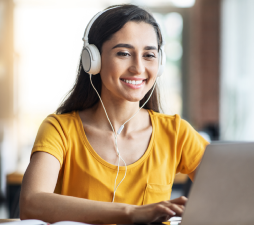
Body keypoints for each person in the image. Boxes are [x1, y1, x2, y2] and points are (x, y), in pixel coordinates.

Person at [20, 4, 208, 224]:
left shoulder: (176, 133)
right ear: (93, 60)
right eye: (124, 53)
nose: (138, 68)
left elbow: (233, 192)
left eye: (149, 55)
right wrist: (132, 213)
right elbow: (31, 204)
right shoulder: (60, 129)